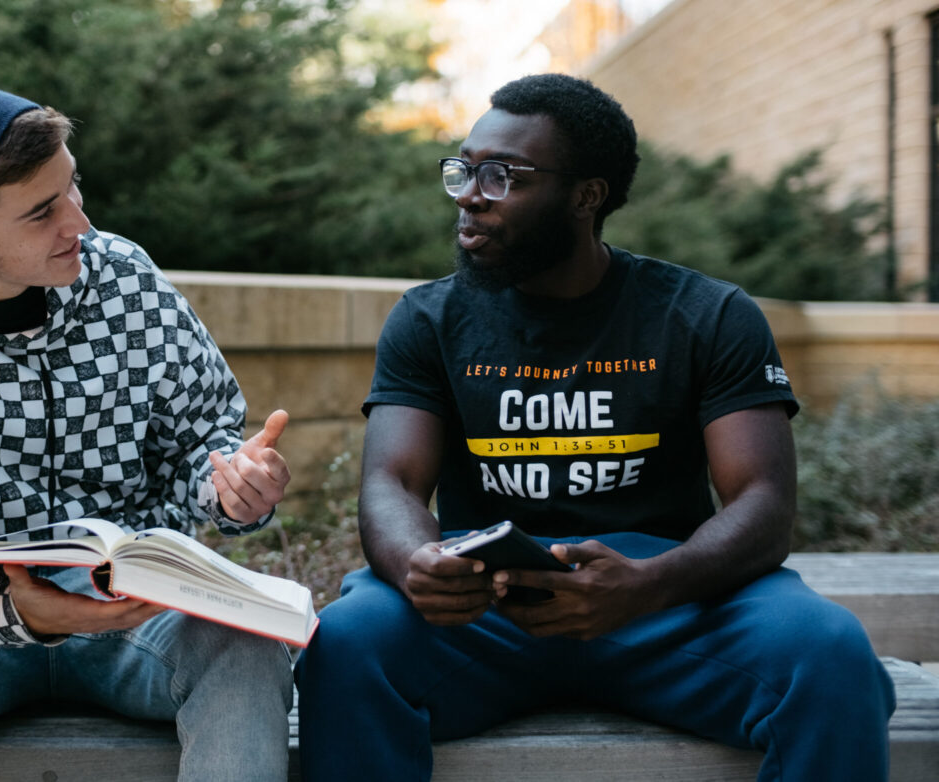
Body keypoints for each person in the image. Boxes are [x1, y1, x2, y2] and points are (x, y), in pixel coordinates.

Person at [293, 73, 895, 781]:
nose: (469, 194)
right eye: (463, 169)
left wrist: (649, 585)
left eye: (502, 175)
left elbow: (763, 505)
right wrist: (415, 564)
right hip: (484, 612)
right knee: (347, 642)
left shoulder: (707, 316)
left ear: (586, 195)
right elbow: (391, 483)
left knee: (829, 654)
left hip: (665, 599)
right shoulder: (428, 319)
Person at [0, 82, 294, 781]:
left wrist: (232, 485)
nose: (81, 225)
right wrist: (9, 607)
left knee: (247, 647)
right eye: (42, 211)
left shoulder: (127, 278)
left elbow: (200, 442)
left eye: (74, 189)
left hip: (134, 606)